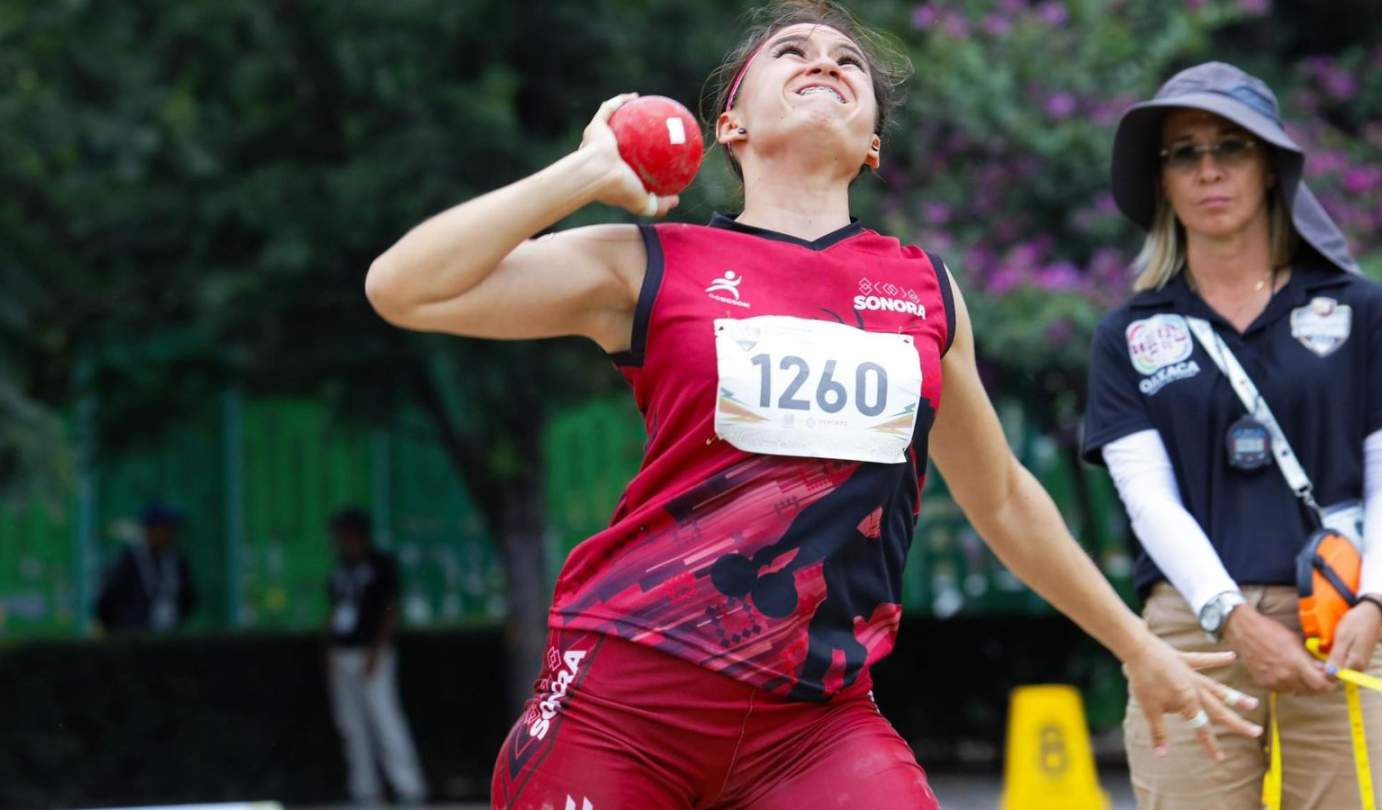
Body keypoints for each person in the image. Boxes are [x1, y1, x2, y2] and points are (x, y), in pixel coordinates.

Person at [366, 4, 1257, 807]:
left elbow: (1004, 498)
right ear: (731, 124)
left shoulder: (926, 291)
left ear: (872, 142)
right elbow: (404, 288)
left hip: (817, 723)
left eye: (848, 62)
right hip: (626, 699)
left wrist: (1138, 647)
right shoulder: (649, 263)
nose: (825, 60)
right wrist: (582, 173)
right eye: (790, 49)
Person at [1082, 61, 1382, 808]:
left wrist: (1377, 601)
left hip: (1339, 620)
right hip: (1193, 632)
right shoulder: (1128, 334)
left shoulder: (1361, 310)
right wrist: (1229, 614)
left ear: (1270, 168)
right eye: (1184, 152)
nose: (1209, 169)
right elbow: (1148, 501)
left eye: (1231, 146)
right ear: (1163, 180)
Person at [325, 508, 428, 806]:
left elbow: (390, 611)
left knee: (385, 718)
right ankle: (364, 790)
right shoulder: (341, 567)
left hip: (372, 654)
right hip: (343, 652)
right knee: (351, 723)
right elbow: (335, 611)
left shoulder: (382, 565)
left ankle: (409, 787)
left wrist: (376, 651)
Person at [94, 503, 198, 633]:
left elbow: (188, 598)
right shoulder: (129, 562)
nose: (170, 534)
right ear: (151, 529)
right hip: (133, 637)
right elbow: (106, 600)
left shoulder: (176, 561)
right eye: (164, 528)